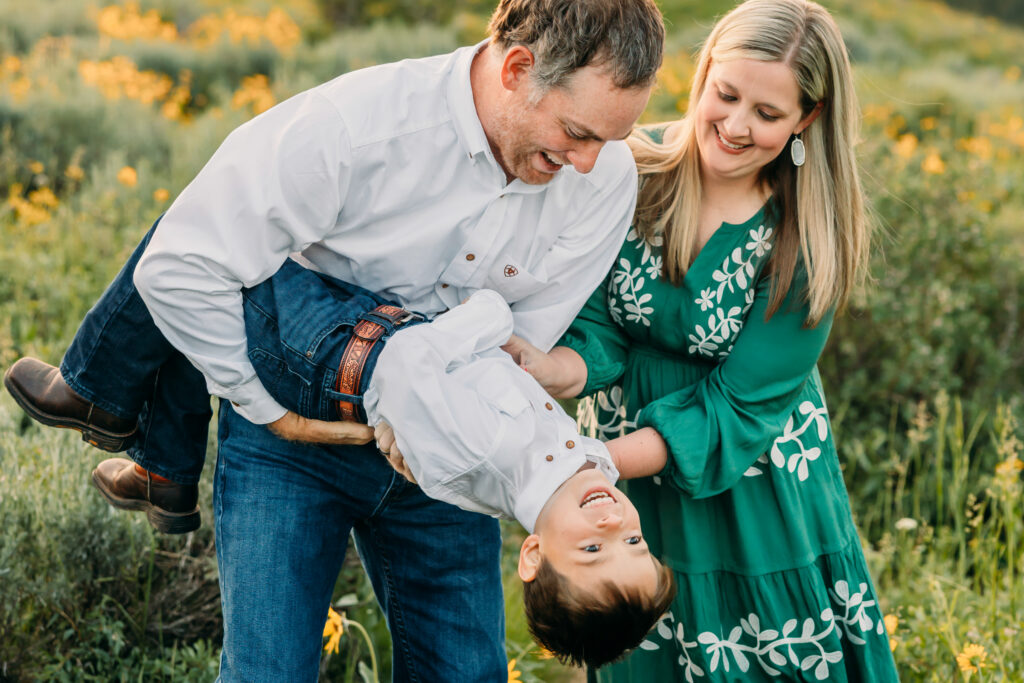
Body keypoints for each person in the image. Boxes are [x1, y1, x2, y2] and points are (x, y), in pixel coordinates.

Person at [2, 0, 666, 679]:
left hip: (457, 467)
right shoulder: (357, 126)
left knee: (465, 673)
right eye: (578, 132)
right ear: (519, 69)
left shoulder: (602, 178)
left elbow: (522, 341)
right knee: (268, 671)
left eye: (608, 140)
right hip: (291, 435)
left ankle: (133, 432)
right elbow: (180, 265)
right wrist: (266, 409)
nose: (588, 163)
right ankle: (139, 436)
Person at [7, 250, 678, 668]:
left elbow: (416, 364)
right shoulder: (583, 473)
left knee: (211, 253)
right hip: (348, 367)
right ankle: (162, 466)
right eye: (632, 539)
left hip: (346, 354)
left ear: (531, 555)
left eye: (593, 552)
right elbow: (608, 460)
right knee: (217, 248)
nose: (611, 526)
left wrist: (490, 316)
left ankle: (111, 407)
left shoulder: (498, 450)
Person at [502, 0, 901, 679]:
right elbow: (598, 321)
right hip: (626, 481)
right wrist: (558, 367)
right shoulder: (629, 169)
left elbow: (739, 403)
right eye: (727, 95)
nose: (737, 126)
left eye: (769, 114)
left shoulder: (807, 232)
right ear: (705, 71)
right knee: (639, 629)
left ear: (807, 118)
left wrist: (595, 460)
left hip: (754, 481)